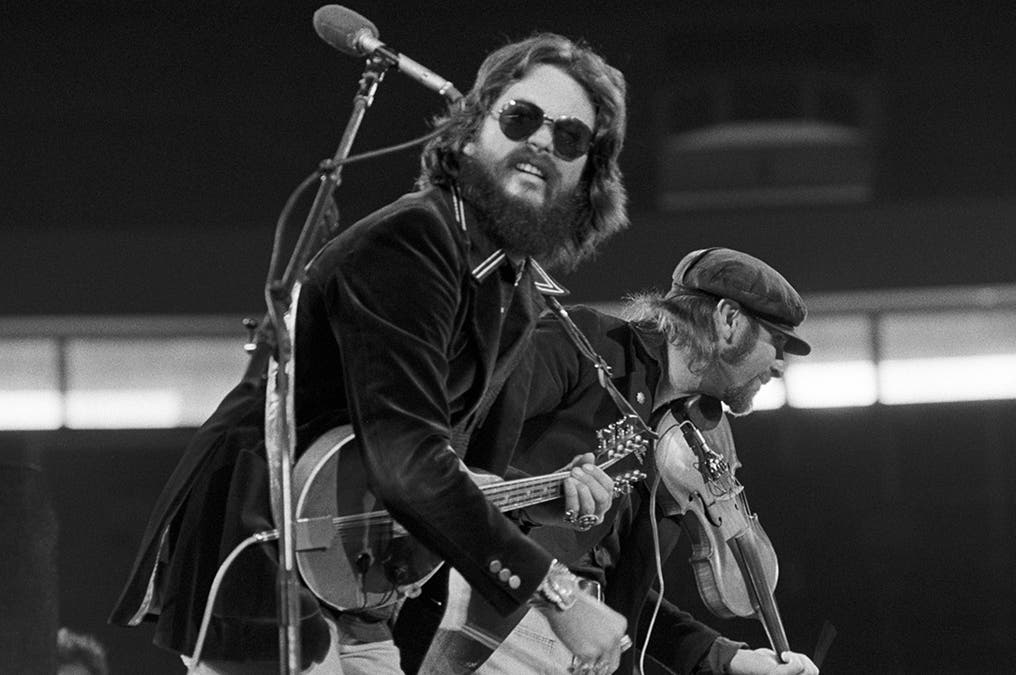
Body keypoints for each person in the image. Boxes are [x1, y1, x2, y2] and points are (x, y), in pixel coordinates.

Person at [110, 32, 633, 674]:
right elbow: (406, 460)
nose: (543, 142)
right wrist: (555, 592)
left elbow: (455, 463)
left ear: (587, 176)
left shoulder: (516, 285)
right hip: (269, 544)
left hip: (361, 573)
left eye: (571, 136)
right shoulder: (414, 239)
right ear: (471, 132)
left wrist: (535, 498)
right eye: (521, 117)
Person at [410, 247, 822, 674]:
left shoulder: (681, 436)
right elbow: (445, 443)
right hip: (507, 614)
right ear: (729, 320)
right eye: (777, 343)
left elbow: (623, 592)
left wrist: (725, 658)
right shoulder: (583, 345)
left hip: (586, 644)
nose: (779, 366)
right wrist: (540, 498)